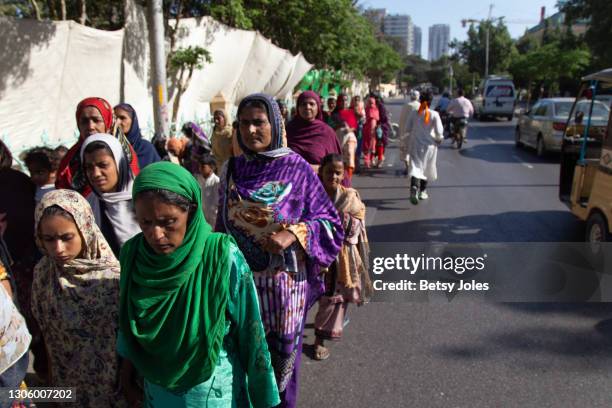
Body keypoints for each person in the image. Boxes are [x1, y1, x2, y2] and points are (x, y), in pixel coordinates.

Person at [216, 93, 343, 408]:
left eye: (258, 122)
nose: (251, 131)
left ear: (273, 123)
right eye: (244, 123)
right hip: (239, 287)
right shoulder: (231, 169)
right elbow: (220, 227)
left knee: (281, 367)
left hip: (284, 291)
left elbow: (330, 225)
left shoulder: (296, 168)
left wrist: (294, 232)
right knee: (241, 359)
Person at [118, 161, 279, 408]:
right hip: (156, 393)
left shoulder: (221, 255)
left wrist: (264, 399)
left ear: (191, 213)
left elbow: (251, 333)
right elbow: (128, 324)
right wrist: (126, 377)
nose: (156, 235)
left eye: (168, 222)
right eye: (146, 222)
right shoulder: (133, 255)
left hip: (212, 395)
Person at [32, 189, 128, 406]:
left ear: (85, 229)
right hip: (65, 382)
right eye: (48, 239)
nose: (58, 249)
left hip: (110, 387)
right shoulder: (43, 273)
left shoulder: (112, 278)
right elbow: (46, 333)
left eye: (67, 238)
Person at [313, 154, 372, 360]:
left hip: (340, 259)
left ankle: (319, 340)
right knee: (310, 296)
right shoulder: (312, 197)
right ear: (321, 173)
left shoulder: (349, 198)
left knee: (333, 299)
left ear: (344, 174)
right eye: (329, 172)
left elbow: (357, 222)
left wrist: (341, 223)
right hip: (314, 255)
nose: (334, 176)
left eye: (338, 172)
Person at [56, 97, 140, 196]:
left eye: (96, 120)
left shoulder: (124, 154)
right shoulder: (70, 160)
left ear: (108, 122)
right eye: (84, 121)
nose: (90, 126)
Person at [80, 134, 140, 257]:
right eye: (89, 167)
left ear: (119, 163)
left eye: (103, 165)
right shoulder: (86, 206)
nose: (95, 174)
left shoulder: (144, 197)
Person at [286, 91, 342, 173]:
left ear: (318, 107)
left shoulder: (327, 132)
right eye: (303, 104)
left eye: (312, 104)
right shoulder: (288, 130)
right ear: (298, 107)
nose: (307, 107)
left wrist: (314, 169)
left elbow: (336, 164)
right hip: (291, 181)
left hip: (320, 182)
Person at [405, 91, 444, 205]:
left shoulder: (414, 113)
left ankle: (414, 186)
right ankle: (422, 191)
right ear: (431, 102)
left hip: (416, 144)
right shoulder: (434, 114)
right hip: (429, 146)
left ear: (420, 100)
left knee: (416, 167)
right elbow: (439, 132)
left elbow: (407, 128)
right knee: (426, 168)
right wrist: (439, 139)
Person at [114, 103, 161, 168]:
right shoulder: (109, 146)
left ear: (133, 121)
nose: (117, 122)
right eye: (115, 118)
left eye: (122, 118)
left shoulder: (146, 149)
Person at [398, 90, 421, 175]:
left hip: (407, 132)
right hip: (417, 132)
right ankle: (414, 168)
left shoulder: (407, 105)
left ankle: (407, 167)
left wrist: (401, 131)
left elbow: (402, 119)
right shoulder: (420, 106)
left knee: (406, 150)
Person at [196, 155, 220, 226]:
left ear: (211, 167)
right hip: (203, 215)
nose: (200, 169)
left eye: (203, 167)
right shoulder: (198, 179)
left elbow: (218, 201)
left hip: (213, 216)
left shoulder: (216, 181)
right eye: (199, 166)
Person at [362, 95, 379, 169]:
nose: (371, 104)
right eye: (370, 103)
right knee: (368, 146)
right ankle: (367, 161)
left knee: (371, 147)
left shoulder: (373, 109)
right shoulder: (368, 109)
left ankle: (370, 160)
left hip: (372, 131)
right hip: (368, 131)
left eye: (372, 103)